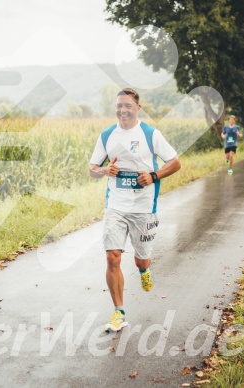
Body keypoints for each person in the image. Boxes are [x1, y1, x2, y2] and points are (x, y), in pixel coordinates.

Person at [89, 88, 181, 332]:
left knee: (141, 259)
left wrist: (153, 175)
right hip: (115, 206)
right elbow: (92, 168)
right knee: (112, 257)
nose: (123, 110)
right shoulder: (108, 135)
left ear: (137, 108)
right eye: (119, 105)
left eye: (128, 105)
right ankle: (119, 312)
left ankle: (144, 269)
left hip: (143, 207)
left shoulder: (150, 134)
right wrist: (104, 170)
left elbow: (175, 162)